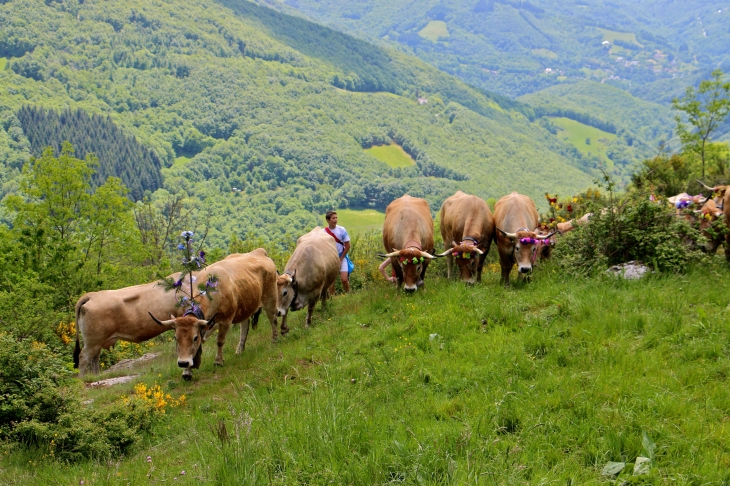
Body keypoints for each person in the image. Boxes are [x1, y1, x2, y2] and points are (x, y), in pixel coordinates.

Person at [324, 210, 351, 293]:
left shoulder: (341, 230)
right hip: (330, 258)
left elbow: (348, 245)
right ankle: (332, 299)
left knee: (344, 279)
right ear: (328, 220)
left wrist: (341, 258)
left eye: (336, 218)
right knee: (331, 282)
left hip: (341, 256)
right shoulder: (323, 232)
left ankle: (348, 295)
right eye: (333, 218)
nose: (335, 220)